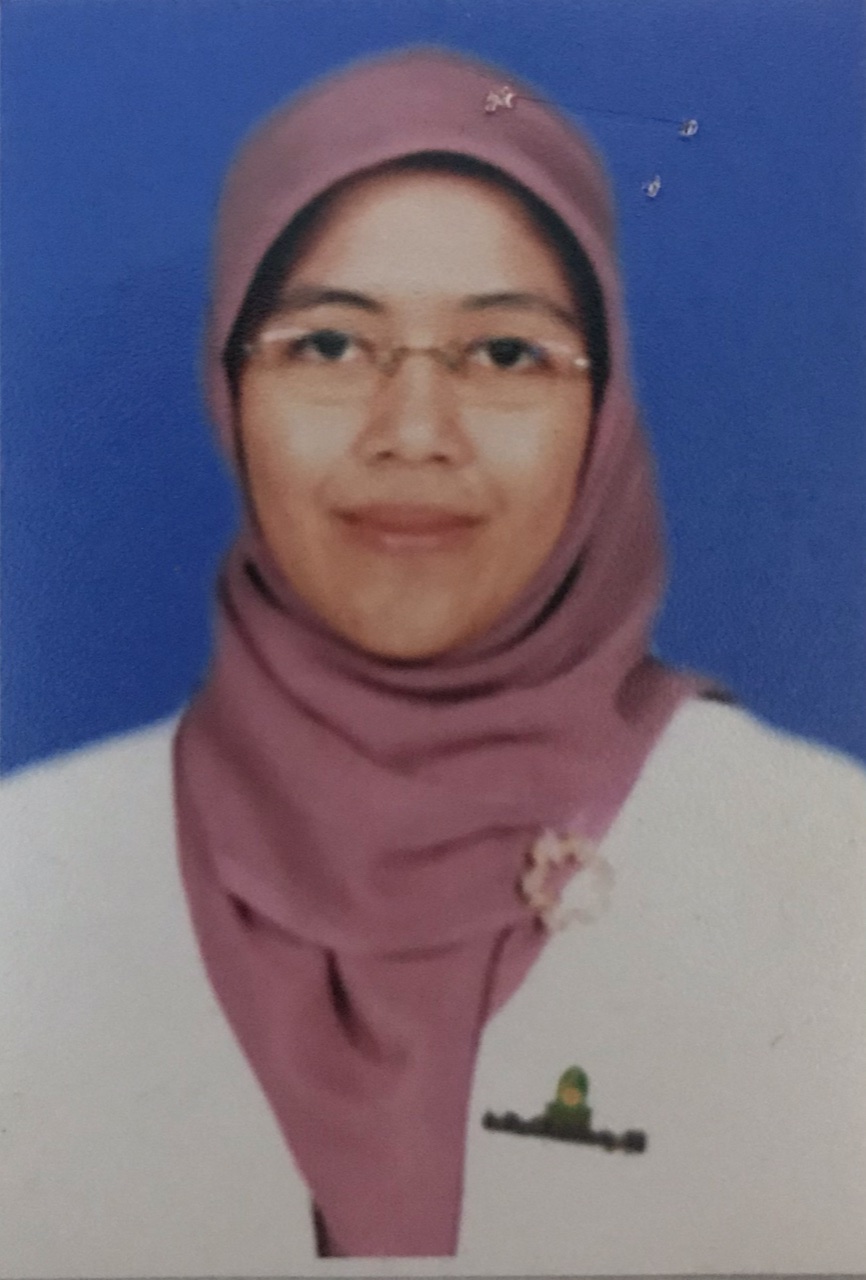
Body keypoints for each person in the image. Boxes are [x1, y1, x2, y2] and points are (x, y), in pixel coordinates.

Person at [2, 46, 865, 1276]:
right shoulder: (27, 879)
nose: (413, 433)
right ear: (229, 389)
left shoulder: (827, 867)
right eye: (328, 345)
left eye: (505, 355)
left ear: (602, 416)